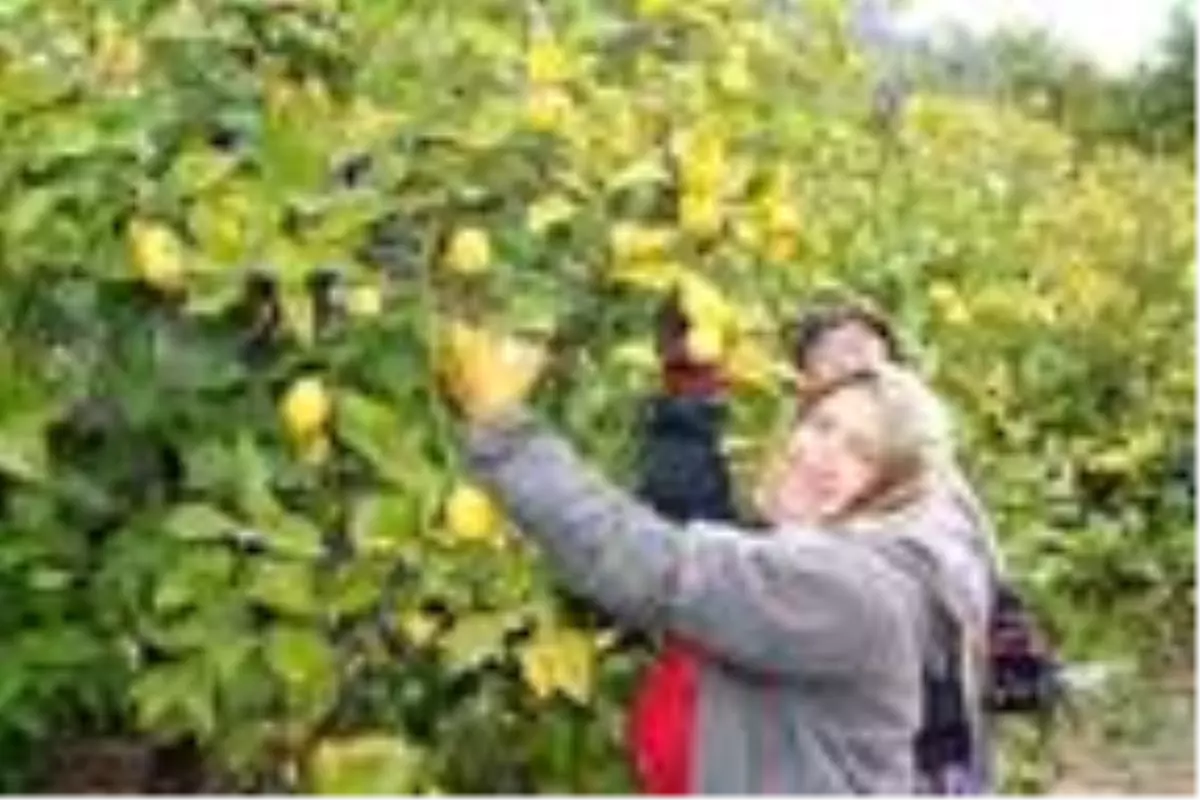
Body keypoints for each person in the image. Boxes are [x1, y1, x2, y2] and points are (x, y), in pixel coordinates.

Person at [439, 319, 991, 799]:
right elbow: (693, 530)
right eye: (821, 426)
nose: (817, 454)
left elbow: (654, 568)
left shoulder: (846, 588)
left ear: (891, 490)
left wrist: (506, 434)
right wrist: (688, 394)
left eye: (860, 453)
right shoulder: (829, 559)